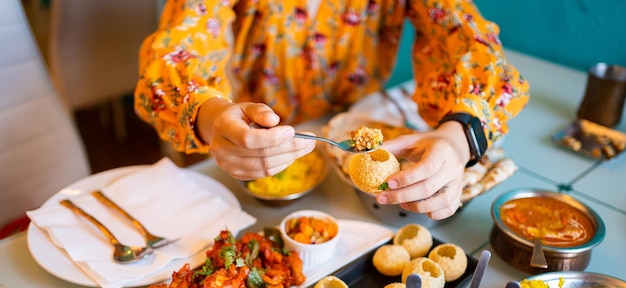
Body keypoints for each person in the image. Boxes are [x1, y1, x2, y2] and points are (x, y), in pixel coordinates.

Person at [135, 0, 530, 220]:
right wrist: (208, 115)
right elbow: (179, 47)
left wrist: (460, 136)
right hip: (248, 146)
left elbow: (471, 41)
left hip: (351, 151)